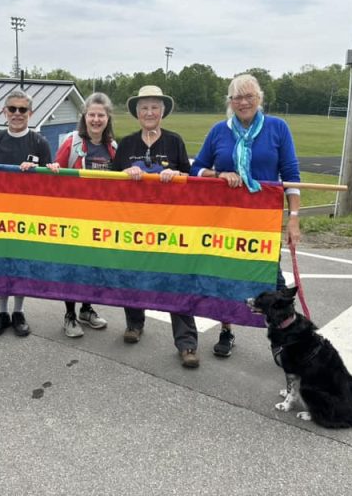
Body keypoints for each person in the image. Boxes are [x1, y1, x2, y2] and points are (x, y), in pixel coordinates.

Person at [190, 74, 301, 358]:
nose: (243, 102)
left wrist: (294, 216)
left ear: (259, 98)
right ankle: (226, 330)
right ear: (230, 102)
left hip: (262, 219)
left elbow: (290, 174)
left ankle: (287, 339)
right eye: (237, 97)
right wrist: (219, 174)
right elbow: (197, 168)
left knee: (271, 278)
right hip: (225, 219)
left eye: (249, 96)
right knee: (226, 276)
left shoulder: (277, 128)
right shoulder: (219, 131)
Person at [111, 85, 200, 369]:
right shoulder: (126, 144)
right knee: (133, 275)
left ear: (162, 112)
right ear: (137, 113)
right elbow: (110, 185)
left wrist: (176, 174)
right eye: (144, 108)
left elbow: (190, 180)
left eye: (154, 108)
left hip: (169, 225)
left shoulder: (174, 142)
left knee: (176, 279)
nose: (149, 113)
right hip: (134, 223)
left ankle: (186, 343)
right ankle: (135, 324)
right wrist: (124, 173)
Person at [0, 89, 52, 338]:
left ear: (30, 114)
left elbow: (49, 183)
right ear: (4, 112)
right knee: (1, 263)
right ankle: (2, 313)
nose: (17, 114)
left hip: (28, 216)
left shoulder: (40, 143)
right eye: (13, 109)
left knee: (21, 264)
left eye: (23, 110)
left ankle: (19, 312)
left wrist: (41, 171)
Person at [48, 92, 117, 338]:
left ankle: (87, 309)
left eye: (101, 115)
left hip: (100, 218)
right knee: (72, 267)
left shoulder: (113, 147)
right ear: (84, 117)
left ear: (108, 118)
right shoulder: (72, 141)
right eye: (92, 115)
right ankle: (69, 315)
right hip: (74, 216)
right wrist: (54, 168)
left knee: (91, 266)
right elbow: (55, 171)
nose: (96, 119)